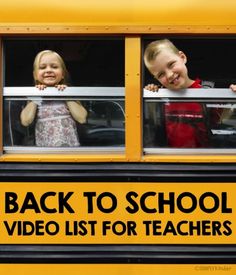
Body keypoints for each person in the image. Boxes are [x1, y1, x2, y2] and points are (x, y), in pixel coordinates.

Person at [143, 39, 236, 148]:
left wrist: (232, 94)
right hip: (170, 160)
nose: (169, 75)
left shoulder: (208, 91)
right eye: (161, 74)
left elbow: (226, 119)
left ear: (182, 57)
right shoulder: (160, 98)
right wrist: (151, 93)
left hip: (207, 158)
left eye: (171, 64)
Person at [20, 50, 87, 147]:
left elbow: (82, 118)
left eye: (54, 67)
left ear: (63, 73)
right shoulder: (34, 95)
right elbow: (25, 121)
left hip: (69, 151)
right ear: (35, 75)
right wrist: (37, 95)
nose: (48, 70)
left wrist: (66, 94)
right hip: (45, 152)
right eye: (42, 67)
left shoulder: (69, 92)